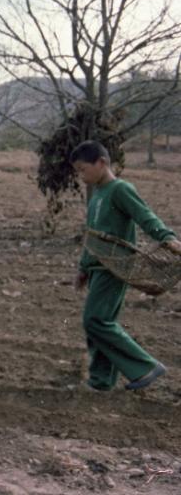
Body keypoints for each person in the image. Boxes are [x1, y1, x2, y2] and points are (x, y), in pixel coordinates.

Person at [70, 140, 181, 391]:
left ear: (101, 162)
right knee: (100, 324)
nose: (81, 176)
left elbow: (144, 215)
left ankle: (145, 367)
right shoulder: (97, 194)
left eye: (83, 169)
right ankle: (100, 382)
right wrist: (83, 268)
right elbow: (93, 235)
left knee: (95, 320)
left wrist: (167, 237)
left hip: (115, 266)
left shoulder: (120, 189)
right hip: (98, 267)